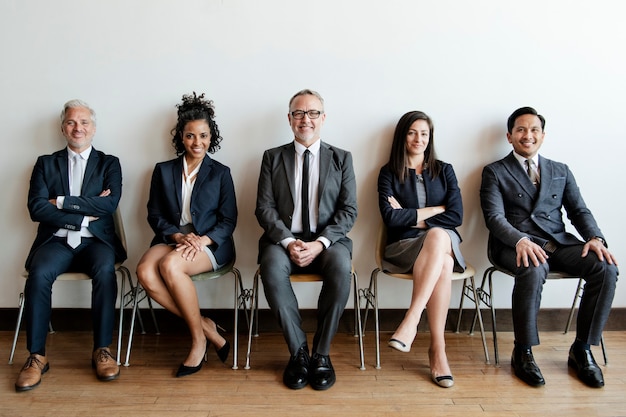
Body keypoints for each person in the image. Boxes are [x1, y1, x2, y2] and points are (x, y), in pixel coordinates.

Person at [480, 106, 618, 388]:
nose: (527, 135)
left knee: (605, 267)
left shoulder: (560, 170)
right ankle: (523, 352)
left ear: (543, 136)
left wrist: (595, 238)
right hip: (513, 244)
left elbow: (579, 211)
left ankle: (582, 350)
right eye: (520, 129)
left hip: (558, 243)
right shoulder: (494, 171)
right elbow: (494, 218)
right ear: (509, 136)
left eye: (533, 130)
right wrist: (520, 240)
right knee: (533, 266)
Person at [16, 100, 126, 392]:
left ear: (93, 127)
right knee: (39, 274)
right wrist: (83, 217)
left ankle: (102, 349)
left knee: (105, 270)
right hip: (57, 241)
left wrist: (62, 201)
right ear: (63, 127)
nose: (78, 128)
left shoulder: (109, 163)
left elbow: (110, 203)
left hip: (97, 241)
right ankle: (36, 356)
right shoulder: (45, 163)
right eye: (71, 122)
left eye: (84, 122)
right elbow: (36, 208)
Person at [255, 89, 357, 391]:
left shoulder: (342, 158)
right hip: (282, 242)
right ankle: (298, 353)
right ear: (289, 119)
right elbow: (264, 208)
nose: (305, 119)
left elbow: (349, 210)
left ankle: (321, 355)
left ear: (323, 118)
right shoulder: (272, 158)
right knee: (271, 269)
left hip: (328, 242)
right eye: (299, 113)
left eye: (313, 113)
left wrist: (321, 243)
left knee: (341, 268)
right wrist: (288, 242)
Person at [136, 93, 237, 377]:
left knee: (169, 266)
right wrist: (178, 237)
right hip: (174, 238)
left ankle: (198, 341)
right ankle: (205, 325)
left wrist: (202, 240)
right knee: (144, 271)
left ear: (211, 136)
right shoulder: (163, 170)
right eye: (191, 136)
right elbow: (154, 214)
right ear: (181, 136)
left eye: (203, 135)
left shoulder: (221, 173)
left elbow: (229, 220)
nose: (197, 143)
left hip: (211, 244)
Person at [378, 111, 465, 388]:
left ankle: (412, 320)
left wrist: (411, 214)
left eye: (424, 133)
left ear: (430, 138)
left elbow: (457, 216)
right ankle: (437, 352)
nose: (419, 139)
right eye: (413, 132)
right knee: (444, 259)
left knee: (439, 237)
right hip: (403, 247)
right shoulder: (388, 172)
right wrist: (435, 210)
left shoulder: (445, 169)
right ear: (403, 136)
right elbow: (390, 218)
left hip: (441, 243)